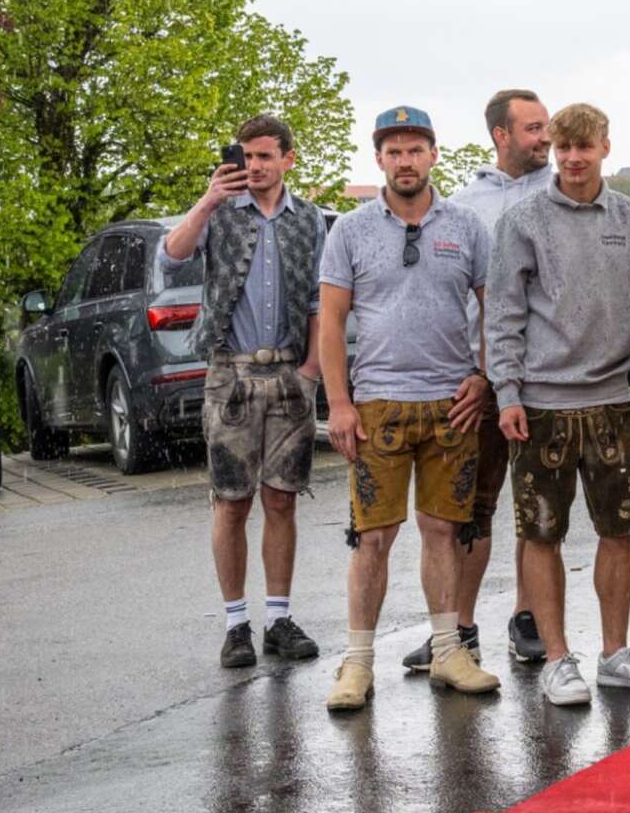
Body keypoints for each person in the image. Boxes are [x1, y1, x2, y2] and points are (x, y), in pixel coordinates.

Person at [319, 106, 501, 711]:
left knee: (444, 529)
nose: (404, 161)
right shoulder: (349, 229)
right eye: (393, 151)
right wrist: (339, 403)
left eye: (414, 149)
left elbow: (493, 311)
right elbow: (332, 320)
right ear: (379, 159)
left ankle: (450, 650)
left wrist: (483, 375)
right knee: (373, 536)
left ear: (433, 154)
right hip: (378, 405)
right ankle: (358, 662)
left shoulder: (468, 227)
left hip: (452, 404)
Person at [486, 102, 630, 709]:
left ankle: (615, 653)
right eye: (563, 149)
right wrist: (507, 392)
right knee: (542, 535)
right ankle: (558, 659)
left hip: (614, 400)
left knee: (620, 531)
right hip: (541, 407)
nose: (573, 159)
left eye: (584, 147)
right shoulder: (525, 220)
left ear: (606, 148)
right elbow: (503, 312)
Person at [160, 115, 326, 669]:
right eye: (247, 157)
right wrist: (208, 199)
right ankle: (236, 624)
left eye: (265, 157)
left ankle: (278, 618)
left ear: (287, 159)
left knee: (282, 498)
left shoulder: (308, 221)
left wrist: (311, 372)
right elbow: (172, 253)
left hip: (287, 374)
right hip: (229, 372)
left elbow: (319, 304)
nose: (254, 166)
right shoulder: (221, 211)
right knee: (232, 500)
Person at [401, 89, 552, 676]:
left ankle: (530, 618)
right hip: (483, 382)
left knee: (539, 507)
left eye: (547, 128)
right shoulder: (466, 207)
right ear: (501, 135)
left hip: (547, 378)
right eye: (534, 129)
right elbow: (457, 298)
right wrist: (476, 372)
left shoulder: (564, 192)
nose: (544, 138)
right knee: (473, 508)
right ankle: (459, 631)